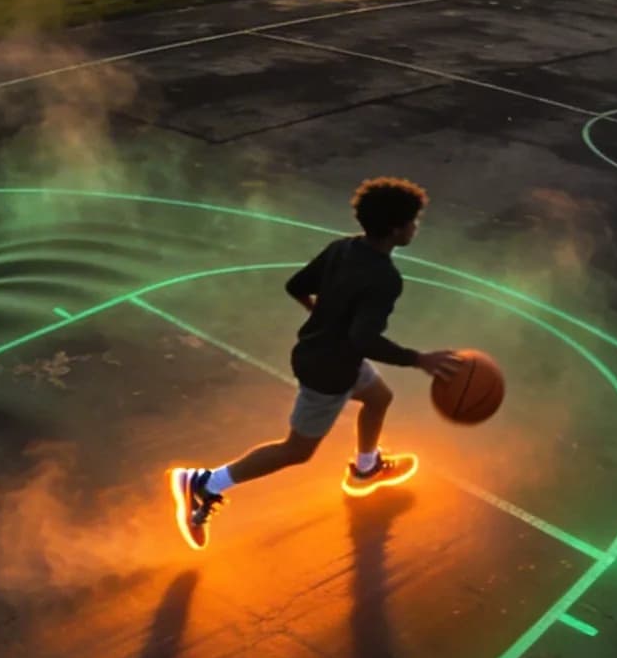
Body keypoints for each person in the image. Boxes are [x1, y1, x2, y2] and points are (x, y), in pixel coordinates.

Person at [169, 177, 465, 549]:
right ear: (396, 229)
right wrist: (419, 359)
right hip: (330, 370)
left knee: (379, 398)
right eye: (413, 221)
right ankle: (204, 482)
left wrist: (324, 316)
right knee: (296, 451)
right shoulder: (385, 278)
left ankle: (366, 468)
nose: (416, 227)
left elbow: (296, 285)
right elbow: (363, 339)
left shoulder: (343, 247)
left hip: (321, 351)